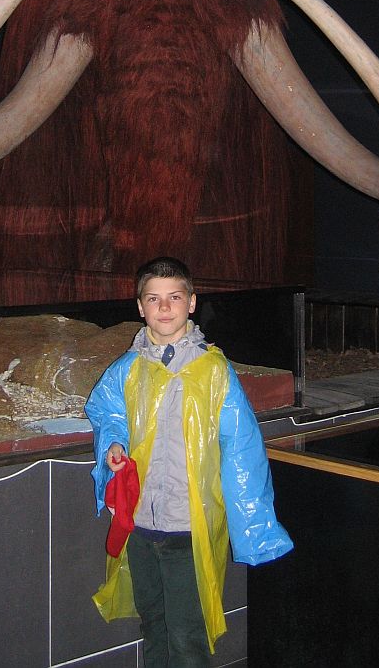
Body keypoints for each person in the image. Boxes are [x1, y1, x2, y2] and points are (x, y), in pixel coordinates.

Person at [85, 255, 293, 666]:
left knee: (186, 637)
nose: (164, 307)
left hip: (188, 528)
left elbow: (242, 448)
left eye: (175, 297)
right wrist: (114, 444)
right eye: (154, 298)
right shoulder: (128, 369)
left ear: (192, 303)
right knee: (154, 626)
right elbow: (108, 413)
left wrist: (255, 527)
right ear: (140, 306)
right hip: (140, 524)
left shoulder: (214, 371)